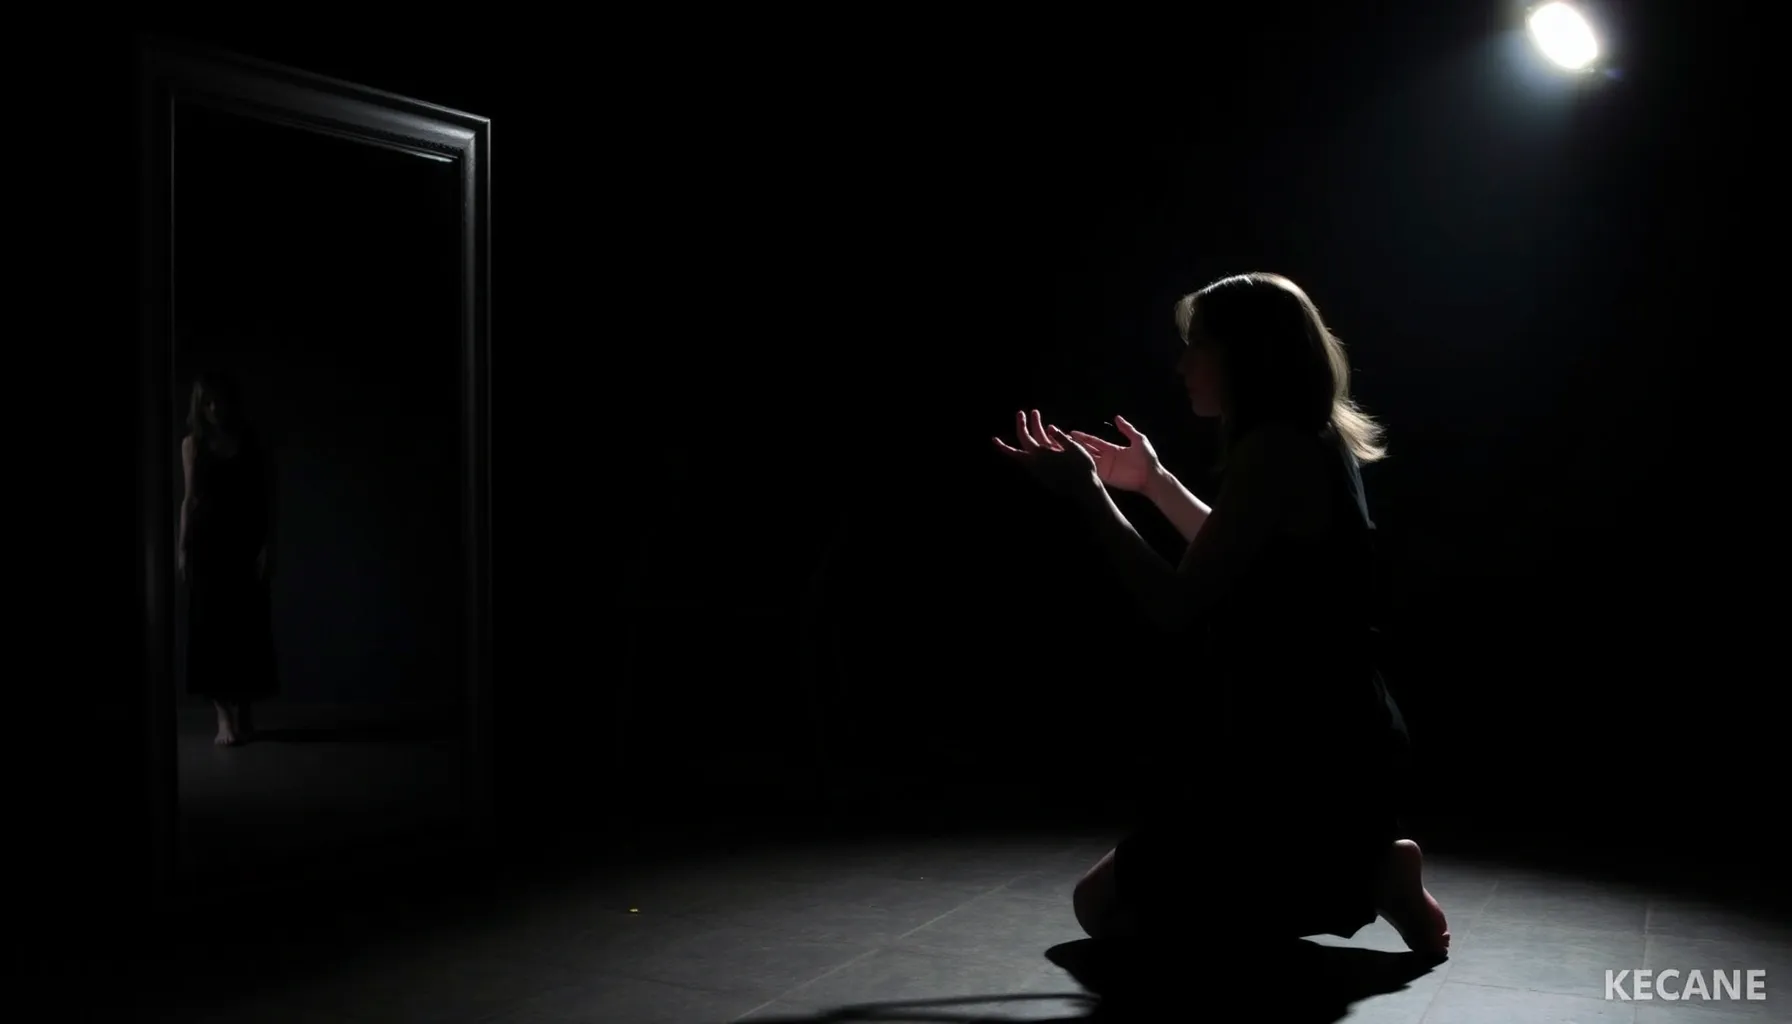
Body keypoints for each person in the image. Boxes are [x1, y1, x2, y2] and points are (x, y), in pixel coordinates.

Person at [993, 272, 1450, 957]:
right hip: (1328, 735)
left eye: (1198, 345)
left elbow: (1177, 603)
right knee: (1120, 905)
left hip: (1304, 756)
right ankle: (1365, 868)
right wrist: (1153, 484)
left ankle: (1364, 873)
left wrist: (1088, 496)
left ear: (1249, 356)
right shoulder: (1306, 437)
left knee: (1105, 909)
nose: (1183, 365)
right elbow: (1243, 549)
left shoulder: (1275, 448)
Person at [179, 370, 278, 746]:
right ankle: (224, 720)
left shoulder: (251, 442)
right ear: (199, 407)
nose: (214, 408)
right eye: (206, 402)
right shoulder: (192, 445)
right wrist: (182, 547)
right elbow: (189, 499)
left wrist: (268, 545)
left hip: (244, 545)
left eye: (218, 400)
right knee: (211, 630)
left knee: (247, 628)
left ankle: (245, 712)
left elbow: (267, 498)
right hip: (206, 546)